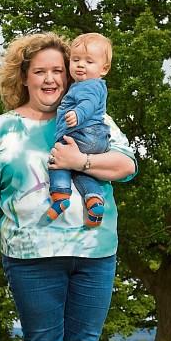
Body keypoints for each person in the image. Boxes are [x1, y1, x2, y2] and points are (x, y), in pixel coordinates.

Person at [0, 32, 137, 341]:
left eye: (58, 70)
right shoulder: (1, 129)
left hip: (95, 255)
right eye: (39, 71)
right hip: (31, 259)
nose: (50, 79)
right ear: (23, 77)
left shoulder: (97, 118)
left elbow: (126, 166)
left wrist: (83, 163)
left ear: (71, 76)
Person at [44, 33, 113, 227]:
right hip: (98, 140)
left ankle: (60, 195)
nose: (80, 65)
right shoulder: (97, 85)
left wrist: (78, 114)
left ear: (104, 68)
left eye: (89, 61)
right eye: (75, 60)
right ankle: (94, 201)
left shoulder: (87, 86)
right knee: (82, 173)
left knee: (58, 158)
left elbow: (88, 103)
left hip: (82, 133)